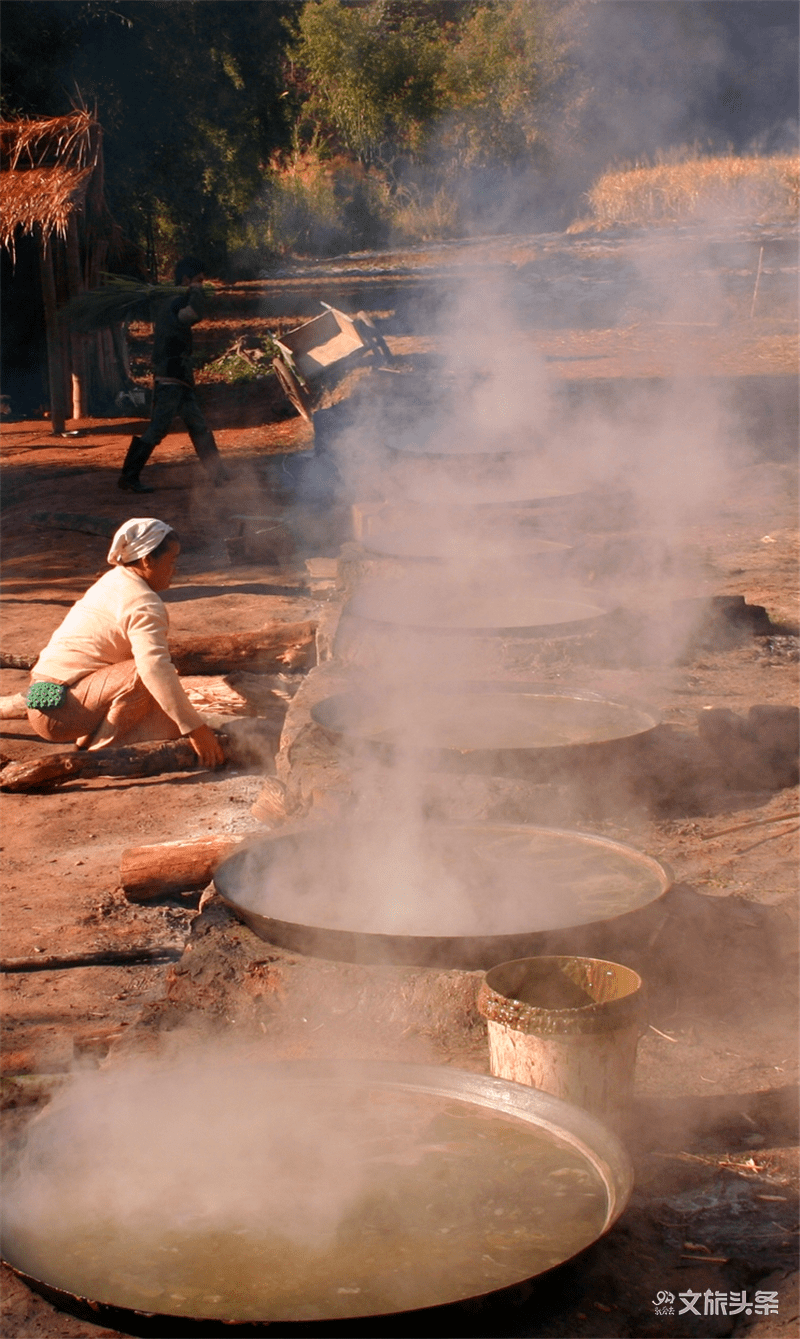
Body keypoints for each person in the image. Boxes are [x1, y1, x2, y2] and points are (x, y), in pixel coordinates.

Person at [26, 517, 225, 768]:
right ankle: (99, 757)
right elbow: (154, 669)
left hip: (49, 700)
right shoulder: (143, 602)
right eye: (171, 561)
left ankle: (90, 741)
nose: (175, 570)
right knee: (143, 673)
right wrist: (197, 730)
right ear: (146, 560)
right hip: (58, 711)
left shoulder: (114, 580)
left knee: (166, 722)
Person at [118, 257, 230, 493]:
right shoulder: (174, 303)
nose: (202, 284)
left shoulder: (173, 300)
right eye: (198, 280)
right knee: (158, 428)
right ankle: (129, 477)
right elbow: (193, 315)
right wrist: (197, 293)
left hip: (179, 378)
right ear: (186, 280)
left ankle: (218, 474)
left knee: (198, 426)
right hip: (171, 378)